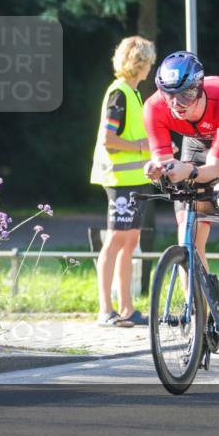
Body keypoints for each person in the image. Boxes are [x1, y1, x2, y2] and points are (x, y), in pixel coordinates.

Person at [142, 51, 219, 308]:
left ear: (199, 89)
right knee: (188, 231)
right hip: (196, 143)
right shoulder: (153, 108)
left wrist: (188, 171)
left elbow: (216, 167)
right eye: (169, 95)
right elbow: (165, 161)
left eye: (186, 95)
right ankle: (200, 312)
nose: (177, 104)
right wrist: (158, 170)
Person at [89, 36, 156, 328]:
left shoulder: (134, 93)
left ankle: (127, 308)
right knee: (116, 241)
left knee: (130, 242)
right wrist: (144, 146)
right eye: (149, 62)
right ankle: (106, 310)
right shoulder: (119, 94)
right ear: (140, 63)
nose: (150, 68)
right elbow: (109, 139)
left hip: (136, 180)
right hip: (119, 180)